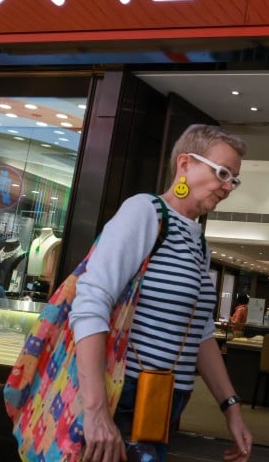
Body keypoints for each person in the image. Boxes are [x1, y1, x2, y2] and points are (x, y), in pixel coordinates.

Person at [72, 124, 253, 462]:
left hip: (163, 399)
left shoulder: (199, 241)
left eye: (235, 179)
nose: (228, 186)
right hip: (121, 396)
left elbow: (199, 332)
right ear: (185, 164)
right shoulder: (145, 212)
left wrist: (231, 408)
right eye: (223, 172)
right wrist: (95, 409)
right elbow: (90, 301)